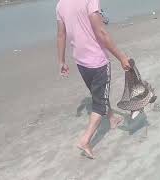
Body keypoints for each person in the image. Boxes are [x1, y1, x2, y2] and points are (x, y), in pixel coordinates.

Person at [56, 0, 131, 159]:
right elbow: (101, 32)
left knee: (98, 94)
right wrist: (122, 57)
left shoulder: (61, 4)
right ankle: (86, 140)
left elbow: (61, 34)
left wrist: (61, 61)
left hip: (80, 61)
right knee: (99, 104)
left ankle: (112, 119)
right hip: (97, 61)